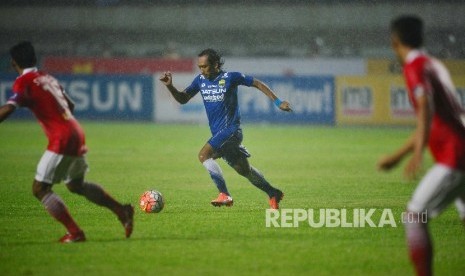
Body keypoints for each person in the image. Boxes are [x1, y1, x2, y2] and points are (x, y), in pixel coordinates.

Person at [0, 41, 134, 243]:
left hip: (62, 137)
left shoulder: (24, 81)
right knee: (75, 185)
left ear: (14, 63)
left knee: (40, 189)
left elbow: (9, 108)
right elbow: (70, 105)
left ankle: (75, 233)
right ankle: (121, 210)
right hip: (76, 131)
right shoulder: (47, 77)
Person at [378, 16, 465, 276]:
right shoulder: (434, 65)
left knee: (414, 217)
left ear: (395, 42)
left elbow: (425, 105)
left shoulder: (414, 67)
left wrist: (412, 153)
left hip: (455, 155)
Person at [159, 48, 292, 209]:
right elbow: (183, 99)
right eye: (200, 67)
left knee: (204, 155)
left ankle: (224, 194)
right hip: (219, 134)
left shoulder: (230, 77)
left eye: (205, 66)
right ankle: (273, 192)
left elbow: (256, 83)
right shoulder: (200, 80)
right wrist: (170, 86)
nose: (202, 70)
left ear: (215, 64)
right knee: (244, 170)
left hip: (232, 131)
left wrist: (278, 102)